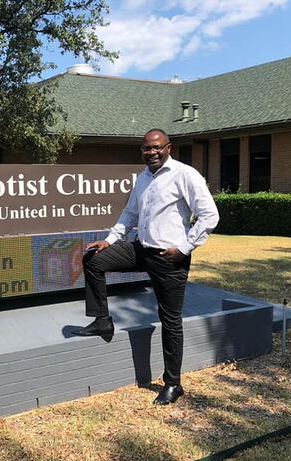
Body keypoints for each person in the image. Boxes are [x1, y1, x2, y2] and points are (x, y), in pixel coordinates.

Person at [72, 128, 219, 405]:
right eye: (146, 149)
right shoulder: (143, 178)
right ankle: (103, 321)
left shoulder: (185, 175)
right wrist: (110, 240)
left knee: (170, 321)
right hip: (142, 249)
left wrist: (185, 248)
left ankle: (173, 384)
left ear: (169, 148)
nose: (151, 152)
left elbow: (209, 215)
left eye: (156, 147)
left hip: (169, 257)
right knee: (94, 259)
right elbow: (130, 213)